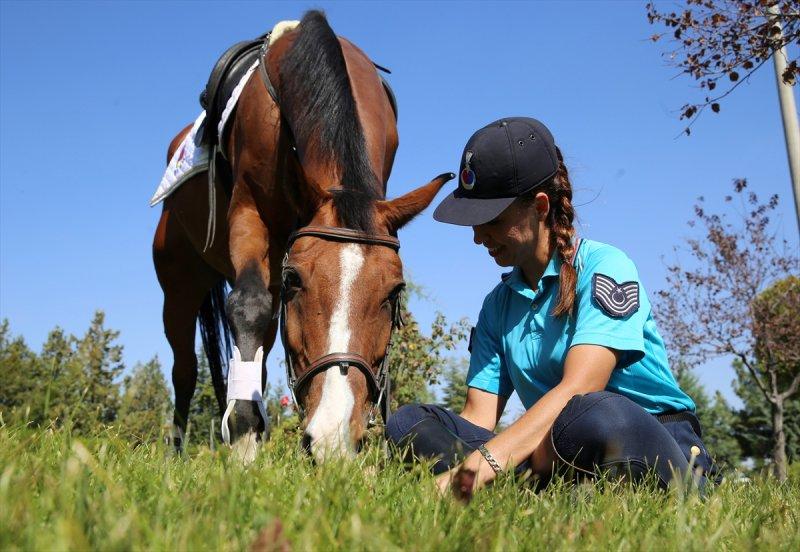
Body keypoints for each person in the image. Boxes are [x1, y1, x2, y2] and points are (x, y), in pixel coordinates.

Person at [386, 117, 713, 496]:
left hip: (647, 440)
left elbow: (582, 386)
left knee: (594, 411)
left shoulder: (606, 267)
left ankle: (520, 486)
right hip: (555, 451)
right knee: (410, 421)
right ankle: (532, 490)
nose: (478, 237)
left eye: (489, 219)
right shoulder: (497, 305)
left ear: (539, 206)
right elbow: (478, 417)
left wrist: (470, 475)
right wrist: (482, 457)